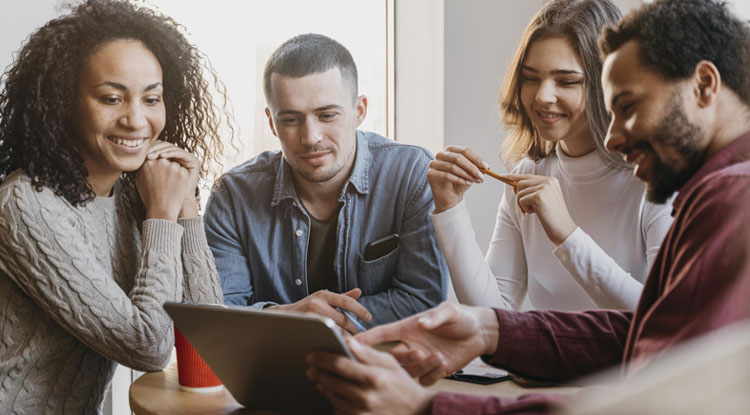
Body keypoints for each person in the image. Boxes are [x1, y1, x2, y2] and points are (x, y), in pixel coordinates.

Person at [306, 0, 750, 413]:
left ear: (705, 85)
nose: (614, 136)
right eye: (531, 78)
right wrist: (489, 329)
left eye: (628, 106)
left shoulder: (727, 197)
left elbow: (657, 393)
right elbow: (647, 336)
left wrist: (429, 407)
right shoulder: (706, 188)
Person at [0, 0, 231, 413]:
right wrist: (162, 213)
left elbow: (211, 336)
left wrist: (187, 207)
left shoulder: (132, 192)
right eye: (111, 98)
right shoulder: (24, 205)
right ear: (63, 101)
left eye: (151, 98)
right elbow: (148, 348)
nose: (136, 120)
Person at [427, 0, 673, 311]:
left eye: (566, 81)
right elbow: (492, 314)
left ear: (608, 85)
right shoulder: (527, 174)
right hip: (548, 360)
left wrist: (567, 234)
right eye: (531, 78)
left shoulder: (655, 180)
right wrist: (450, 208)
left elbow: (660, 318)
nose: (542, 96)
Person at [204, 33, 449, 332]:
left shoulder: (411, 173)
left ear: (359, 111)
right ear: (271, 122)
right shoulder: (233, 195)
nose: (311, 137)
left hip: (386, 368)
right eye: (291, 120)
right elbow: (220, 313)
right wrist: (293, 315)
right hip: (269, 371)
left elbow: (425, 302)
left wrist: (315, 319)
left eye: (327, 115)